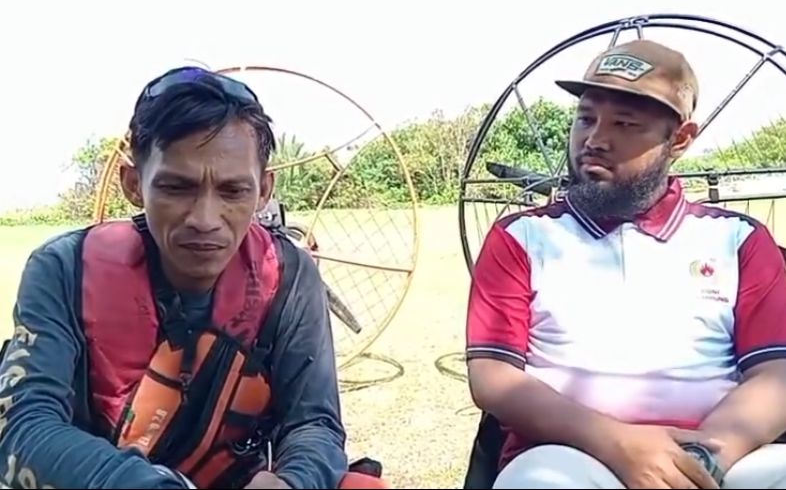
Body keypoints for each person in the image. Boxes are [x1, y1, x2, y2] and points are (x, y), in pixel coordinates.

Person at [0, 67, 387, 489]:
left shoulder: (290, 276)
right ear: (133, 184)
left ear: (264, 191)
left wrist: (293, 481)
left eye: (233, 191)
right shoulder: (64, 269)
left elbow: (314, 423)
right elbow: (23, 427)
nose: (205, 219)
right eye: (176, 188)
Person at [465, 39, 786, 489]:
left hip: (718, 457)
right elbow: (492, 377)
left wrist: (696, 464)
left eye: (624, 124)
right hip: (568, 456)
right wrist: (619, 444)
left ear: (680, 139)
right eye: (585, 119)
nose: (595, 140)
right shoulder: (521, 237)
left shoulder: (738, 239)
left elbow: (775, 375)